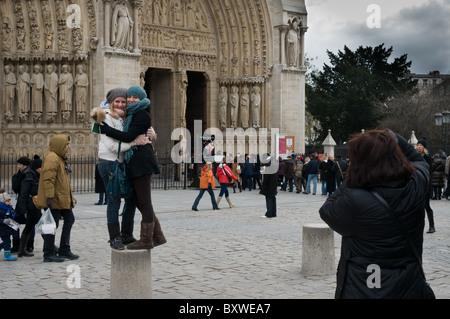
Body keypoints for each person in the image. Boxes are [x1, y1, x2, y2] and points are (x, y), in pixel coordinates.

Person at [319, 130, 435, 299]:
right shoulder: (416, 185)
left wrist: (353, 176)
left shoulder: (354, 199)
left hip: (363, 286)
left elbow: (327, 210)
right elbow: (418, 159)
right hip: (408, 284)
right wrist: (394, 137)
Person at [99, 85, 166, 250]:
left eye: (130, 99)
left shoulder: (139, 114)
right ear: (111, 102)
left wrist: (108, 130)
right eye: (121, 100)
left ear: (141, 99)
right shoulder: (118, 116)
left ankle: (147, 239)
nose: (126, 102)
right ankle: (153, 237)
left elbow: (130, 134)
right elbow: (118, 142)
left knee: (141, 201)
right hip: (117, 163)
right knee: (132, 200)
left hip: (139, 164)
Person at [36, 134, 79, 262]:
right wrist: (49, 197)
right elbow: (48, 180)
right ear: (60, 145)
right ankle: (48, 253)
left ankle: (64, 249)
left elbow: (62, 180)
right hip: (54, 199)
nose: (69, 147)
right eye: (67, 144)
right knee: (51, 226)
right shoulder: (52, 158)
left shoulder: (60, 158)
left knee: (69, 219)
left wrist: (70, 197)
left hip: (61, 198)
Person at [15, 155, 43, 257]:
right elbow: (23, 195)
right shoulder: (29, 176)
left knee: (30, 227)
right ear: (37, 168)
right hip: (31, 206)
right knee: (41, 225)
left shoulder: (36, 175)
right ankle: (51, 247)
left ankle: (21, 250)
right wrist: (23, 211)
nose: (42, 169)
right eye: (41, 167)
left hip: (35, 205)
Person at [416, 138, 435, 233]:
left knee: (426, 205)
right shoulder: (413, 156)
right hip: (415, 184)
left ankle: (432, 226)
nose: (419, 147)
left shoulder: (427, 157)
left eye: (421, 145)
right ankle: (417, 226)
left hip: (425, 183)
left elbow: (430, 170)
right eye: (418, 145)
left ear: (424, 147)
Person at [0, 191, 18, 261]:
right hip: (2, 229)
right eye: (7, 201)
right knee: (7, 242)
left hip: (8, 228)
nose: (9, 202)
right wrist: (3, 221)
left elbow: (12, 216)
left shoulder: (8, 208)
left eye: (9, 201)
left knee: (6, 241)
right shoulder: (1, 209)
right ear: (2, 202)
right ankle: (7, 256)